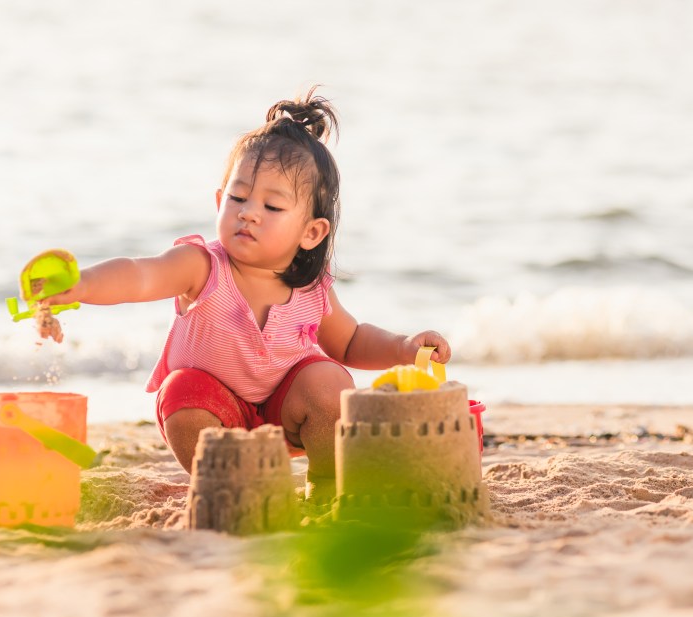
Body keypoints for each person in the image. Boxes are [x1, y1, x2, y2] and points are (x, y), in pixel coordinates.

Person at [37, 88, 451, 501]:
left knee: (329, 382)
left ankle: (328, 485)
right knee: (181, 390)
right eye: (237, 198)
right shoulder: (201, 266)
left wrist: (402, 346)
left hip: (287, 414)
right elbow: (140, 275)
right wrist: (83, 284)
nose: (249, 212)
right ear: (220, 201)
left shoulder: (310, 286)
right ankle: (232, 491)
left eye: (272, 207)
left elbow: (350, 341)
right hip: (212, 417)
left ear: (311, 232)